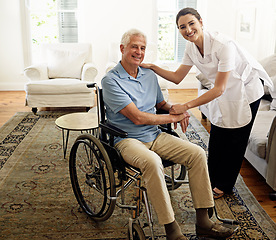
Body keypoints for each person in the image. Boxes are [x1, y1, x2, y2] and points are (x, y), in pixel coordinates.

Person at [102, 28, 234, 240]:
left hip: (154, 135)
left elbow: (160, 104)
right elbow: (137, 118)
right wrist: (173, 119)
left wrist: (177, 110)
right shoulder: (110, 81)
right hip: (128, 139)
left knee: (197, 153)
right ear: (122, 48)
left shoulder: (148, 75)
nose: (139, 52)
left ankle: (204, 222)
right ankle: (172, 230)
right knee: (153, 162)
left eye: (143, 48)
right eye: (134, 47)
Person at [140, 8, 273, 199]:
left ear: (201, 22)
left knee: (236, 140)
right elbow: (178, 77)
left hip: (246, 91)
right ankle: (210, 178)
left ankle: (225, 185)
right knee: (218, 135)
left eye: (191, 23)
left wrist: (186, 106)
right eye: (182, 27)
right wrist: (153, 66)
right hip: (224, 90)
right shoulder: (191, 47)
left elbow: (218, 89)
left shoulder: (223, 45)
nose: (188, 30)